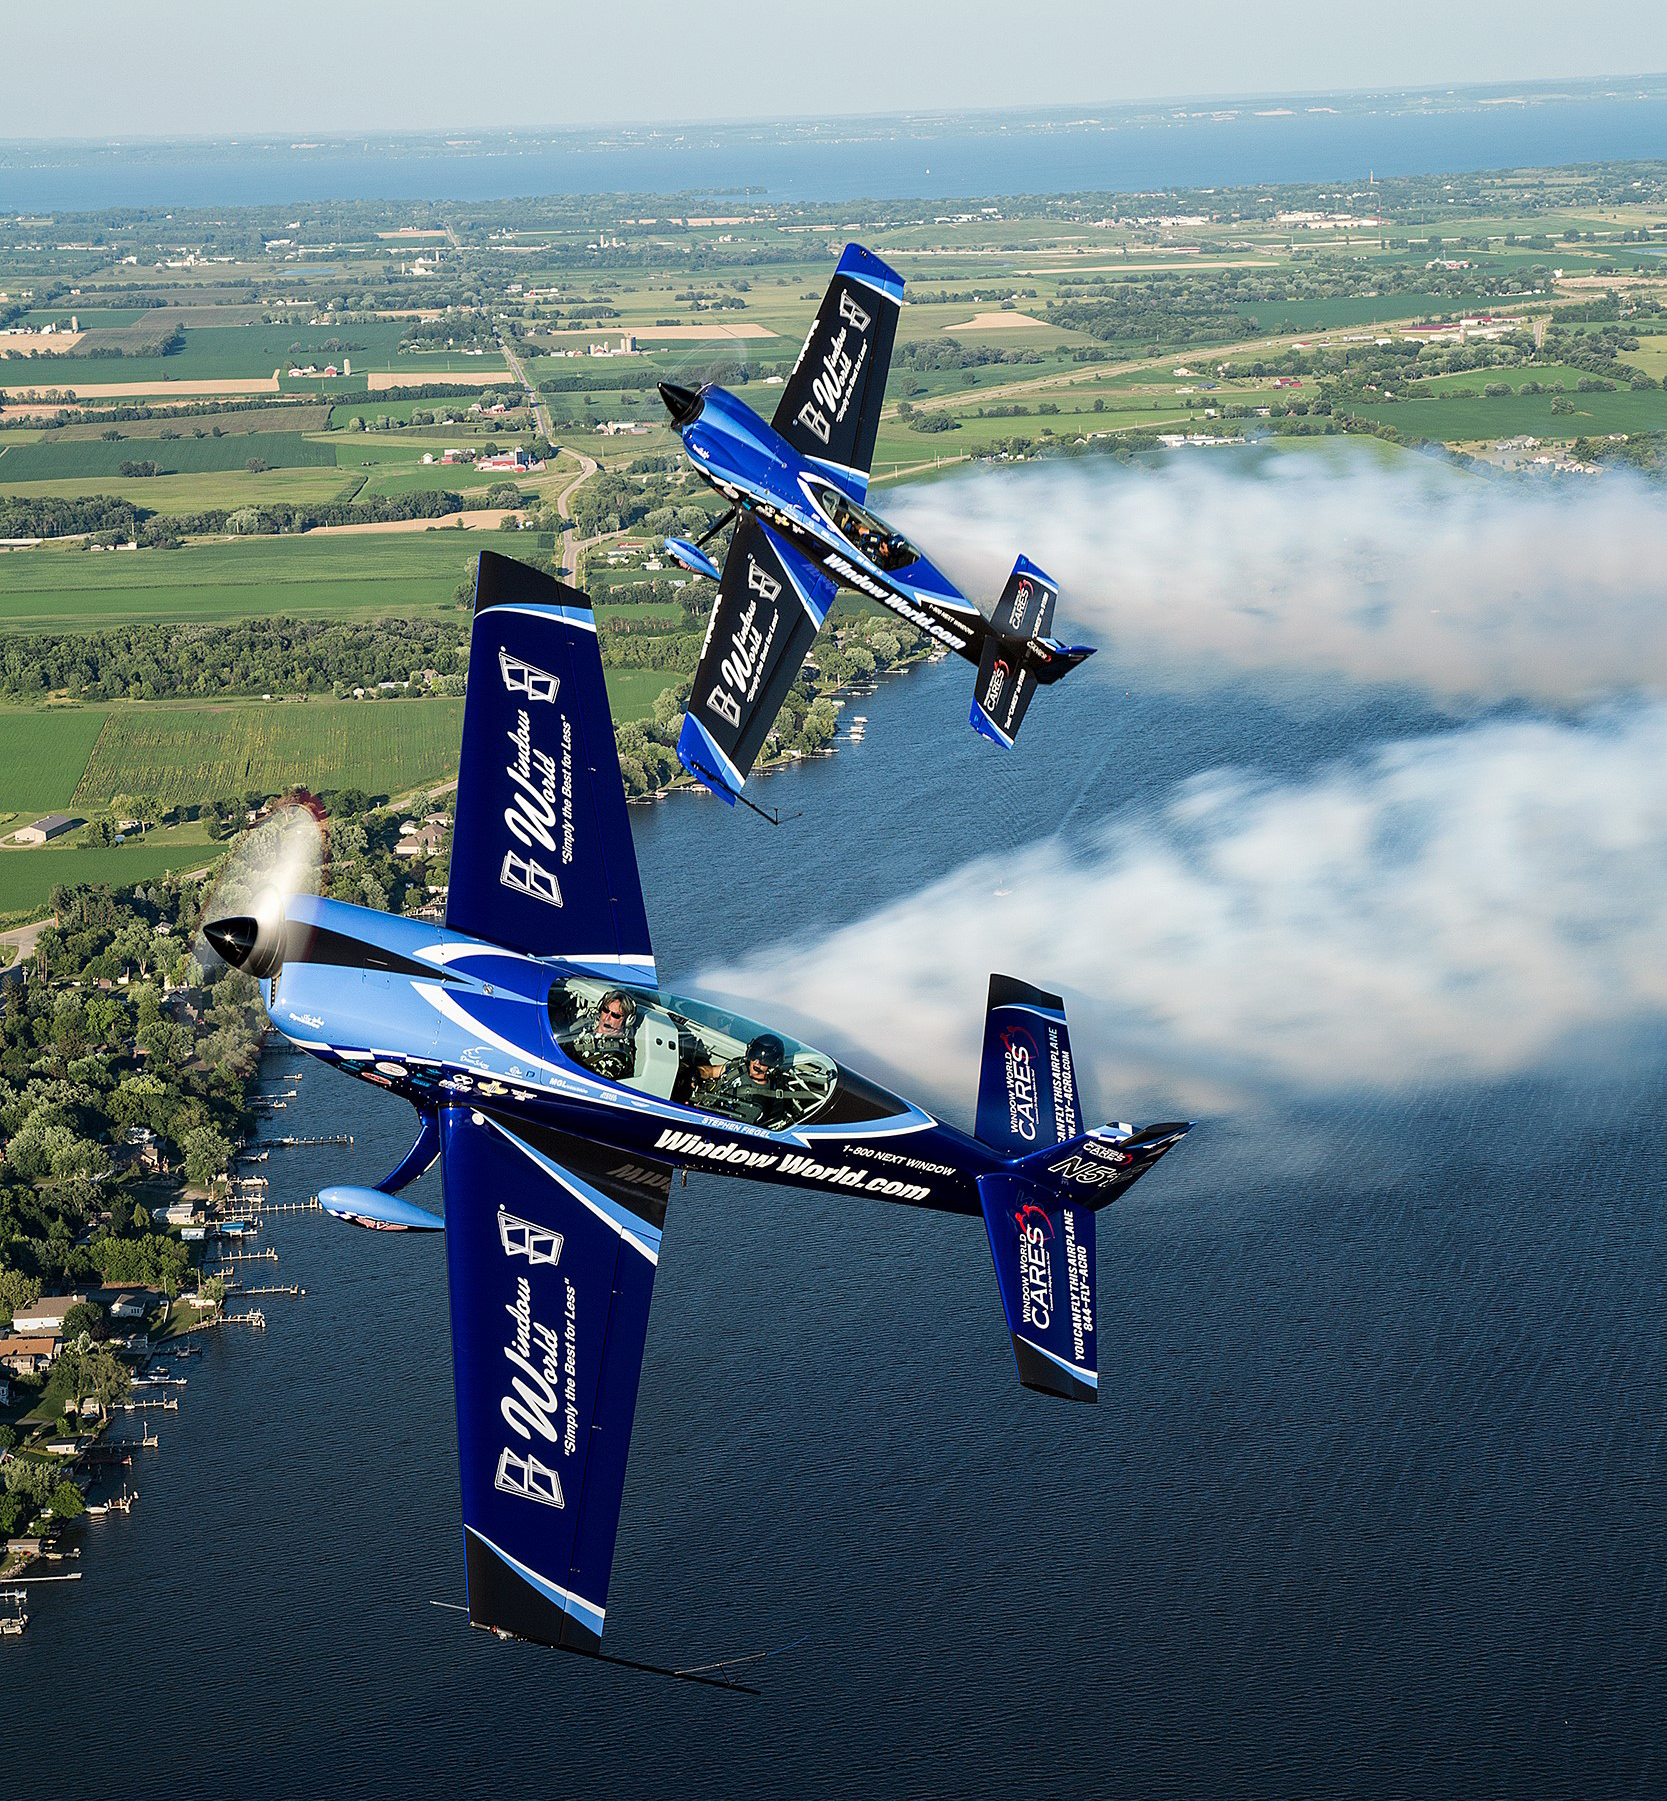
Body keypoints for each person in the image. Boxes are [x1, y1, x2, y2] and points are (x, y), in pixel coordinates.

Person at [689, 1033, 796, 1128]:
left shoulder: (756, 1103)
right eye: (755, 1055)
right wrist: (695, 1073)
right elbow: (711, 1071)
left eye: (765, 1060)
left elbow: (724, 1125)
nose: (756, 1062)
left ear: (773, 1066)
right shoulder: (740, 1067)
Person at [565, 989, 638, 1082]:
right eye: (606, 1010)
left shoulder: (617, 1058)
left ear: (627, 1021)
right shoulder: (587, 1024)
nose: (607, 1017)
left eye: (615, 1015)